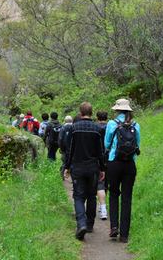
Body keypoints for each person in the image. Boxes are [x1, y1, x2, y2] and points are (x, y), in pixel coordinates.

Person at [64, 102, 106, 240]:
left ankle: (81, 223)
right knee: (91, 195)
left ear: (80, 113)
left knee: (78, 196)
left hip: (78, 166)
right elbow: (100, 150)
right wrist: (102, 168)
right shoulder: (96, 128)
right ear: (92, 113)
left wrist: (67, 166)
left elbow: (69, 149)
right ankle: (89, 224)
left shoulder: (74, 128)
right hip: (93, 167)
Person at [105, 99, 141, 243]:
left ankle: (114, 227)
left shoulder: (112, 124)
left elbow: (107, 143)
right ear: (129, 111)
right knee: (127, 198)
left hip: (114, 163)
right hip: (129, 165)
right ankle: (125, 234)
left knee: (114, 194)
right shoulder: (136, 125)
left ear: (116, 110)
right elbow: (137, 145)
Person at [96, 109, 109, 220]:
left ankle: (102, 207)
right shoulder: (111, 127)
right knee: (107, 183)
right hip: (110, 157)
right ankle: (102, 204)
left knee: (100, 183)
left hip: (98, 158)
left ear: (97, 118)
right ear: (107, 118)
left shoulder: (95, 128)